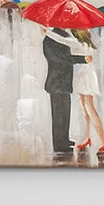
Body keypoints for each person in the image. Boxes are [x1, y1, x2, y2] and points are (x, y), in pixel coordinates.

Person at [71, 30, 104, 156]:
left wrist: (48, 33)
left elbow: (63, 40)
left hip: (86, 78)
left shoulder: (79, 43)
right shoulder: (86, 43)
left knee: (89, 108)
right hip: (82, 77)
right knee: (84, 108)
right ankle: (87, 137)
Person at [42, 28, 77, 160]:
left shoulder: (64, 36)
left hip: (65, 81)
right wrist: (81, 59)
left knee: (65, 112)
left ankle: (65, 139)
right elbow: (60, 58)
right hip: (56, 82)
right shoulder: (49, 40)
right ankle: (59, 144)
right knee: (58, 115)